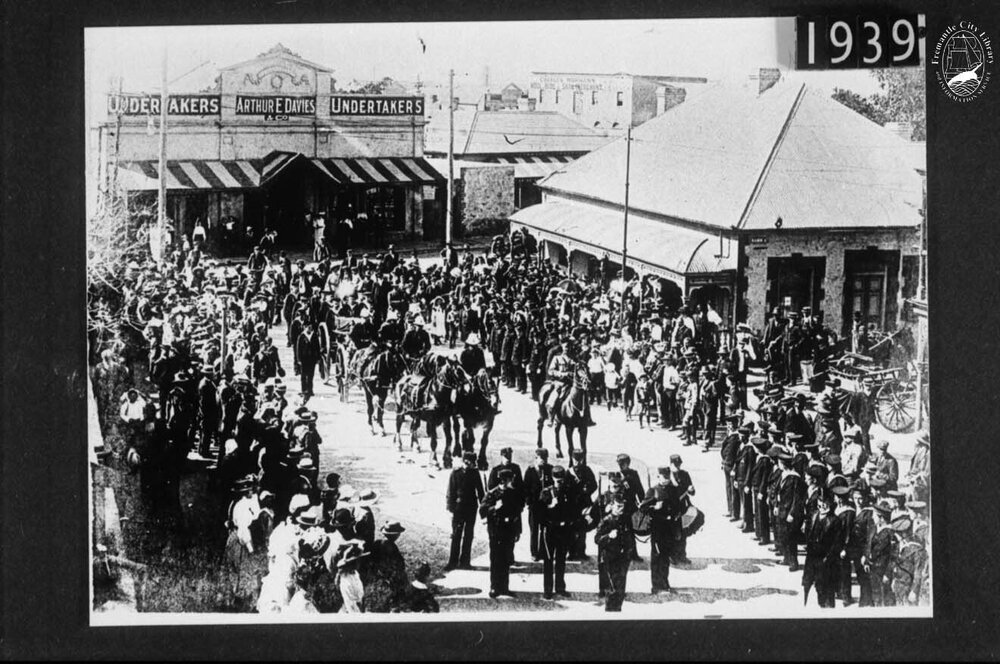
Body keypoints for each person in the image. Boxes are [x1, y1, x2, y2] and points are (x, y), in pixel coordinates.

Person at [480, 467, 524, 598]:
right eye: (510, 480)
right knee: (495, 559)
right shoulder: (492, 494)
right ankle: (494, 587)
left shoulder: (513, 493)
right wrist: (494, 507)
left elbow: (518, 513)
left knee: (506, 559)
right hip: (496, 530)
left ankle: (504, 587)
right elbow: (482, 511)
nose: (511, 482)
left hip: (509, 529)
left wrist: (518, 531)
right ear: (505, 480)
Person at [538, 465, 580, 599]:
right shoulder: (546, 492)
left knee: (561, 560)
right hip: (550, 530)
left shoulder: (568, 492)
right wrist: (550, 506)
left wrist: (573, 528)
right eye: (557, 480)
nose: (559, 482)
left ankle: (560, 587)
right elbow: (539, 514)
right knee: (548, 561)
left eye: (561, 480)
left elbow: (573, 511)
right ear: (552, 478)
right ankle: (548, 590)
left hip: (564, 530)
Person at [642, 466, 682, 595]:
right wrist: (655, 507)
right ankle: (656, 586)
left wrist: (677, 514)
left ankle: (665, 583)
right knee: (657, 556)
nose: (665, 480)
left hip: (669, 527)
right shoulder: (653, 491)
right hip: (657, 528)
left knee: (665, 556)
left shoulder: (673, 490)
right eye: (663, 477)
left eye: (667, 477)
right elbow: (642, 508)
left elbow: (677, 505)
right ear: (658, 477)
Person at [594, 490, 634, 611]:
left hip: (623, 558)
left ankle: (617, 609)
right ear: (611, 506)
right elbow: (597, 539)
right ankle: (611, 611)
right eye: (618, 507)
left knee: (621, 586)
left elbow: (630, 537)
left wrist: (629, 553)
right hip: (610, 558)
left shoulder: (625, 519)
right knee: (612, 588)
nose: (621, 510)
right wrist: (608, 536)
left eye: (622, 507)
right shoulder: (606, 521)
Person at [445, 451, 485, 570]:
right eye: (471, 463)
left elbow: (481, 492)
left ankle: (465, 562)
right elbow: (450, 492)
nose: (473, 465)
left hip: (471, 508)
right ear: (466, 462)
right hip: (458, 509)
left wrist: (484, 509)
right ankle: (452, 562)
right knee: (456, 534)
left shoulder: (475, 473)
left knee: (469, 535)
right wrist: (450, 509)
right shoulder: (455, 473)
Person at [802, 491, 840, 608]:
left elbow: (836, 543)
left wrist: (828, 558)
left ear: (830, 503)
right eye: (820, 502)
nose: (822, 505)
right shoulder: (814, 515)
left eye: (825, 502)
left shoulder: (835, 520)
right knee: (808, 584)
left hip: (825, 559)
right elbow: (808, 533)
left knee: (825, 587)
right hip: (812, 557)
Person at [364, 522, 409, 613]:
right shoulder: (391, 547)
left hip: (376, 578)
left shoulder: (377, 543)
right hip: (389, 580)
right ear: (395, 535)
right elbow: (396, 566)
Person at [522, 448, 554, 561]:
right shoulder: (530, 471)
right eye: (542, 458)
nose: (544, 461)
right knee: (534, 530)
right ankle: (534, 552)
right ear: (536, 458)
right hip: (534, 506)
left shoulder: (550, 469)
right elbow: (525, 488)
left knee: (545, 529)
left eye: (545, 458)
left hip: (545, 506)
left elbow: (553, 486)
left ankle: (543, 551)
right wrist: (528, 502)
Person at [568, 449, 598, 560]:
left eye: (580, 460)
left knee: (582, 529)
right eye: (576, 460)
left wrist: (587, 490)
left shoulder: (587, 470)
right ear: (572, 459)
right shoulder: (569, 472)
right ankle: (571, 553)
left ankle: (581, 552)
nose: (578, 462)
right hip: (573, 504)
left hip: (584, 504)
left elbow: (594, 485)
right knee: (572, 529)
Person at [668, 454, 694, 564]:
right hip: (672, 508)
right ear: (671, 464)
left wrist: (691, 489)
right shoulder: (667, 475)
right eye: (675, 465)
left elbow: (692, 491)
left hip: (683, 507)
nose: (678, 467)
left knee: (683, 532)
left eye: (679, 464)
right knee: (672, 533)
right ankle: (672, 555)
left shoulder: (685, 474)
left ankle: (682, 555)